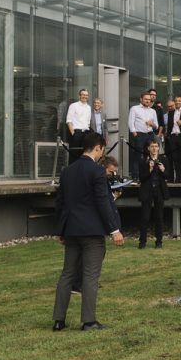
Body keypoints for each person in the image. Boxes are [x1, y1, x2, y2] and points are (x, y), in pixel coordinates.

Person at [52, 132, 124, 332]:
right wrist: (114, 229)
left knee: (67, 274)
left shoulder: (67, 171)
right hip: (92, 232)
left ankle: (59, 320)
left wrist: (61, 229)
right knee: (90, 276)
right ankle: (89, 321)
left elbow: (61, 203)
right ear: (98, 148)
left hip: (72, 230)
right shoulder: (97, 171)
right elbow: (102, 201)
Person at [138, 139, 170, 249]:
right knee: (144, 217)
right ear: (148, 148)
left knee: (159, 217)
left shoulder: (164, 159)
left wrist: (163, 170)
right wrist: (150, 169)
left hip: (159, 191)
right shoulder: (143, 160)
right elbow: (141, 178)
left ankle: (159, 242)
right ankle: (142, 242)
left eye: (156, 146)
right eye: (152, 146)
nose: (154, 148)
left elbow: (167, 176)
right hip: (147, 191)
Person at [128, 91, 158, 181]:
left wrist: (152, 124)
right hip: (139, 134)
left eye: (149, 99)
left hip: (150, 134)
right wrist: (134, 133)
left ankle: (149, 175)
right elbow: (130, 122)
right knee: (137, 156)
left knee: (150, 155)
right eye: (146, 99)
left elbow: (156, 125)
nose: (148, 101)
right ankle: (136, 176)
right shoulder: (134, 108)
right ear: (141, 99)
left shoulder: (153, 111)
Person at [65, 89, 92, 164]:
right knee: (74, 154)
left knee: (84, 155)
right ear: (79, 95)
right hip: (76, 132)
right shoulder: (73, 106)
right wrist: (74, 134)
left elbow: (88, 122)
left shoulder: (89, 107)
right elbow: (69, 121)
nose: (85, 96)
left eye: (86, 95)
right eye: (83, 95)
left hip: (86, 133)